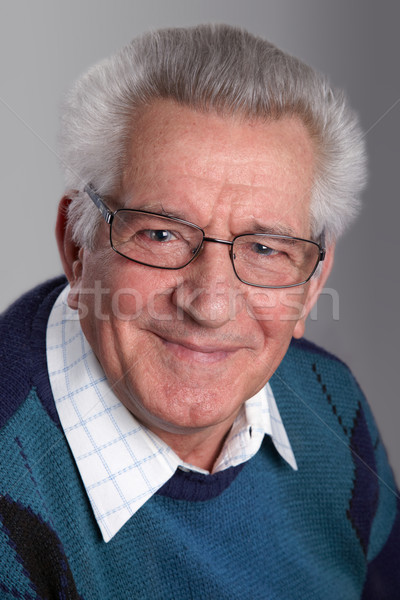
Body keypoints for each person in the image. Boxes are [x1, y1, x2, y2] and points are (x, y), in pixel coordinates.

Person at [0, 23, 398, 599]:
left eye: (265, 249)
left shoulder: (328, 401)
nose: (209, 304)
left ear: (312, 284)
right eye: (161, 234)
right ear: (78, 247)